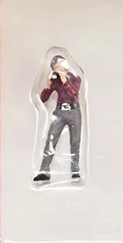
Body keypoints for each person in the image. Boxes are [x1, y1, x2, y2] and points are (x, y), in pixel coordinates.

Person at [35, 55, 82, 183]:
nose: (58, 71)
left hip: (74, 111)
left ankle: (75, 171)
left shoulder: (75, 78)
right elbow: (43, 99)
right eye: (55, 69)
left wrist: (65, 80)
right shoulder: (55, 81)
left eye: (59, 67)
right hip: (60, 112)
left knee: (75, 141)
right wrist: (48, 85)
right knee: (51, 140)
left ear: (65, 67)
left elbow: (74, 93)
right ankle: (44, 171)